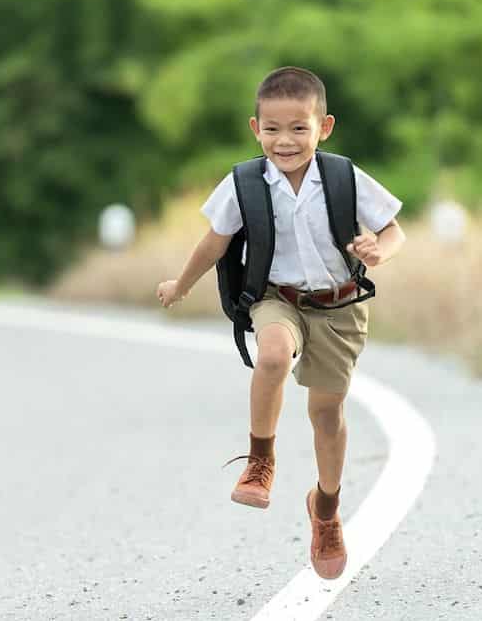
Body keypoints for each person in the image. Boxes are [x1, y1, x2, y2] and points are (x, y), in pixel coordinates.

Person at [155, 66, 405, 579]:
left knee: (326, 414)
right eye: (272, 129)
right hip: (277, 298)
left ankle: (327, 508)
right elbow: (215, 241)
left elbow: (392, 228)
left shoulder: (343, 177)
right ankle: (260, 461)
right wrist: (180, 283)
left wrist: (380, 250)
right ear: (255, 128)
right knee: (271, 355)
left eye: (298, 128)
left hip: (338, 306)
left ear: (324, 126)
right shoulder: (244, 183)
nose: (284, 141)